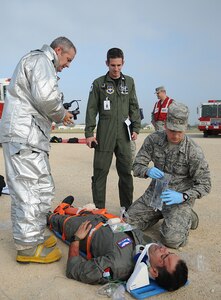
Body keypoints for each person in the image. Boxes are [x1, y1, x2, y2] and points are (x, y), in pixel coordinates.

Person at [0, 36, 76, 263]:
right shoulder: (40, 60)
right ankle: (27, 247)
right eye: (68, 59)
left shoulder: (41, 63)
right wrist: (62, 113)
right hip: (24, 137)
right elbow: (46, 97)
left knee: (42, 188)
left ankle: (35, 235)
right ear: (58, 49)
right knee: (28, 191)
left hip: (32, 137)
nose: (68, 65)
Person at [48, 196, 188, 291]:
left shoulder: (118, 266)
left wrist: (76, 239)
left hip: (85, 230)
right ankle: (66, 207)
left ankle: (57, 212)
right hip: (103, 219)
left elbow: (74, 270)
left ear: (154, 271)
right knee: (85, 211)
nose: (164, 249)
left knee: (54, 218)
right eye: (169, 252)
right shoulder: (149, 247)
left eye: (164, 257)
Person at [127, 102, 211, 249]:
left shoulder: (193, 151)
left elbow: (205, 184)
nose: (176, 135)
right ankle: (159, 214)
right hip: (155, 195)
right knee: (127, 223)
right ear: (165, 125)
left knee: (172, 240)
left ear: (185, 128)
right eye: (172, 130)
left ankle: (188, 217)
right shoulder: (154, 140)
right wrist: (147, 171)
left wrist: (184, 196)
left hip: (178, 200)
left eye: (180, 131)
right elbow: (137, 165)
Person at [85, 48, 141, 210]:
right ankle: (99, 209)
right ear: (107, 64)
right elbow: (91, 109)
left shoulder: (129, 82)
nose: (116, 69)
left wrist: (136, 127)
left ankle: (126, 209)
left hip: (124, 132)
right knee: (100, 171)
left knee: (125, 172)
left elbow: (134, 106)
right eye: (112, 65)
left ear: (123, 63)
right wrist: (89, 133)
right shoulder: (98, 84)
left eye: (119, 65)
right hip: (105, 132)